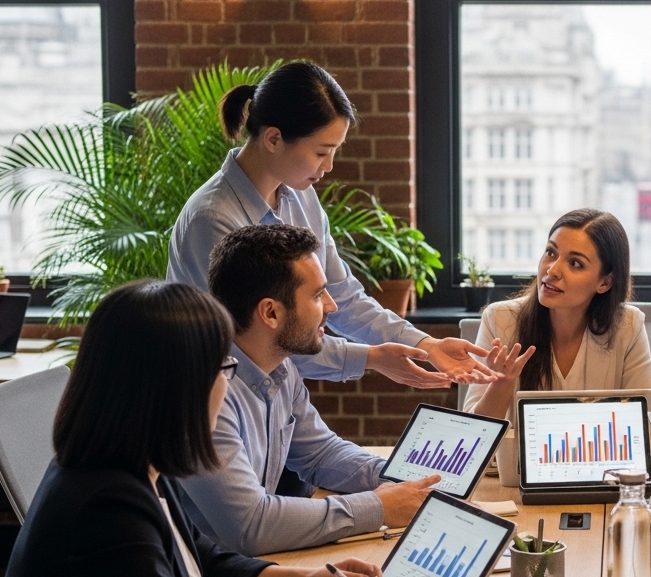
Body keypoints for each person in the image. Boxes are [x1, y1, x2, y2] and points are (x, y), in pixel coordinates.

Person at [0, 281, 391, 577]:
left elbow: (207, 560)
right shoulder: (104, 502)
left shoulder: (133, 463)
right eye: (223, 368)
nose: (226, 384)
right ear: (176, 386)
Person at [168, 60, 499, 389]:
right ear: (273, 139)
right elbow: (264, 337)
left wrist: (424, 345)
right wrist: (372, 357)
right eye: (321, 152)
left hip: (273, 392)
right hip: (212, 400)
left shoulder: (301, 197)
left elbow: (342, 295)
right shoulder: (212, 218)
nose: (328, 166)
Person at [179, 224, 440, 556]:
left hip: (257, 570)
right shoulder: (206, 391)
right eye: (318, 294)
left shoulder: (281, 367)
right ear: (270, 312)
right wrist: (379, 506)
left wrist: (407, 479)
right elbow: (251, 526)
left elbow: (320, 454)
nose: (330, 306)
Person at [463, 209, 651, 421]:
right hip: (516, 457)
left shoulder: (627, 326)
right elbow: (473, 435)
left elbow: (649, 426)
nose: (552, 270)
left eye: (575, 263)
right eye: (551, 253)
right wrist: (501, 383)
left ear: (605, 282)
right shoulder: (499, 321)